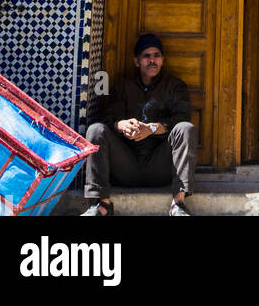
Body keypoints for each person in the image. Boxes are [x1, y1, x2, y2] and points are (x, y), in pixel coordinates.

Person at [82, 33, 197, 217]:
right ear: (137, 61)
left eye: (157, 55)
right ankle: (101, 205)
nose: (152, 60)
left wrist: (151, 129)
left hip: (159, 167)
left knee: (186, 128)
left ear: (163, 60)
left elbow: (180, 118)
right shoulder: (123, 87)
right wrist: (121, 125)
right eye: (146, 56)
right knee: (95, 130)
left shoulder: (175, 86)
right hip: (126, 166)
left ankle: (179, 204)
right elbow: (107, 120)